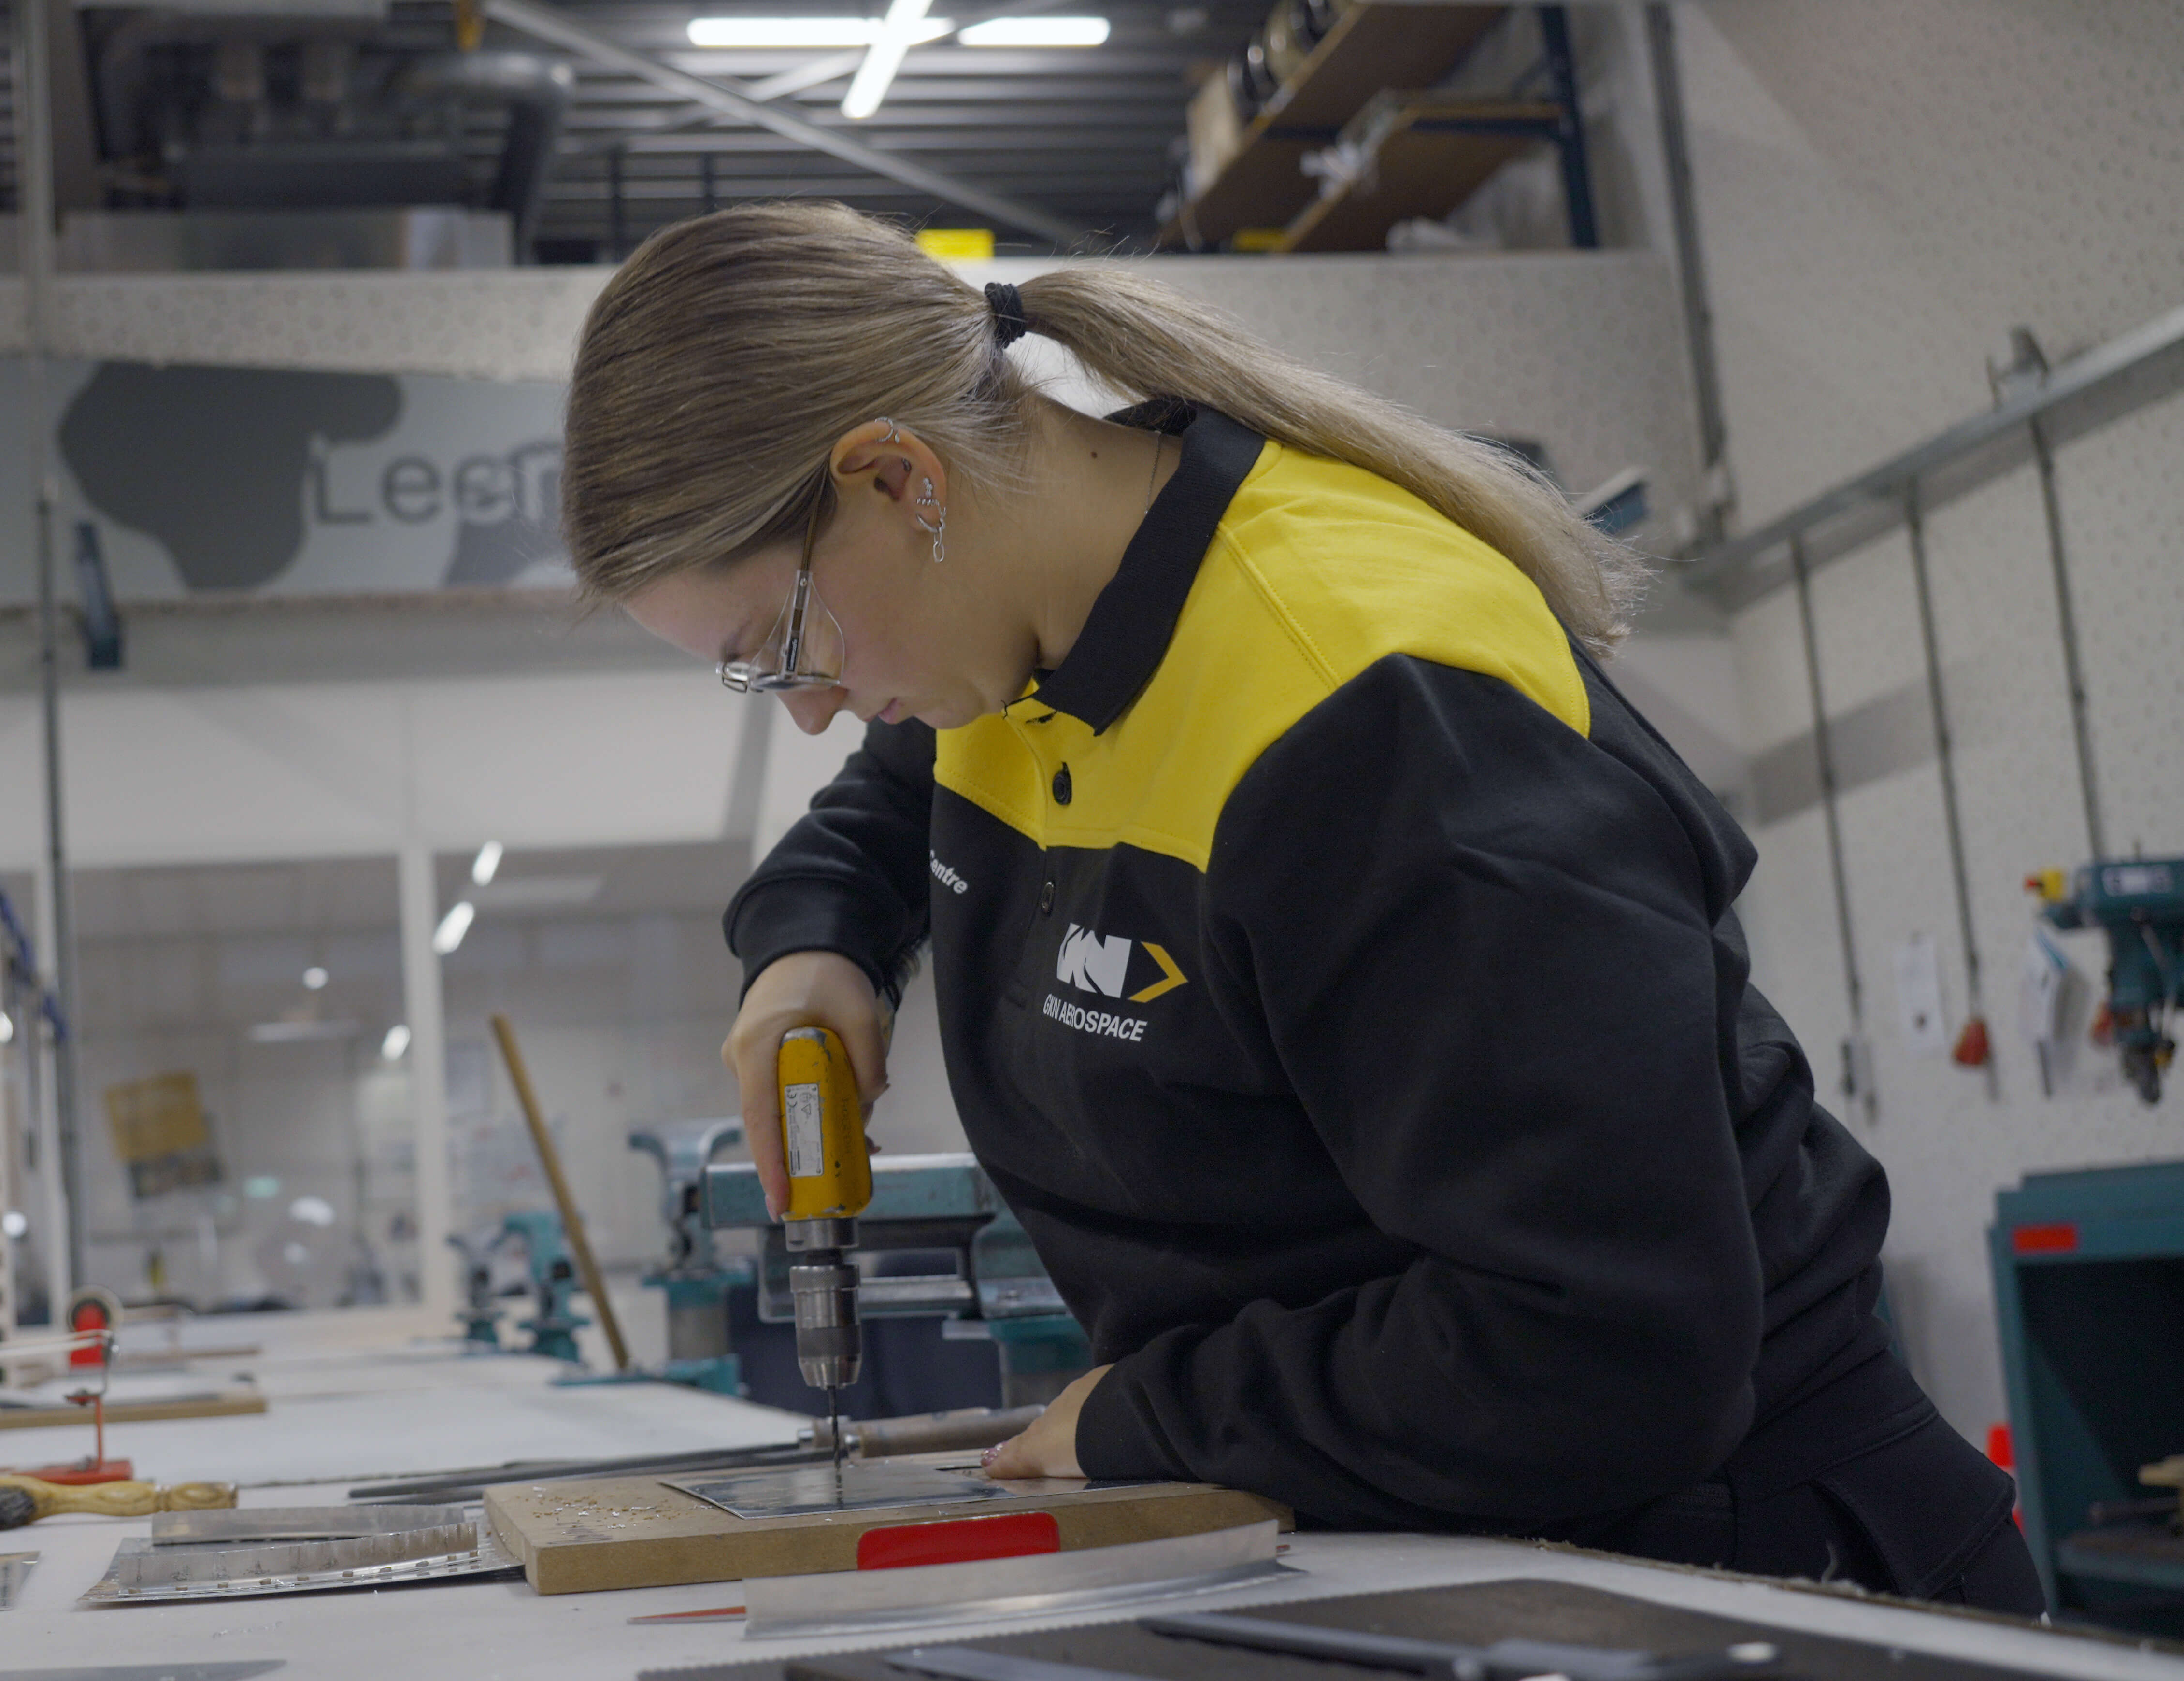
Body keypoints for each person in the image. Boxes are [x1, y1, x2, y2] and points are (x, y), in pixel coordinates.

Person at [557, 202, 2041, 1613]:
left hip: (1733, 1561)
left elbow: (1610, 1345)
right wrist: (809, 944)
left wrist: (1153, 1419)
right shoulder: (1014, 630)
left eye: (786, 642)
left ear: (898, 478)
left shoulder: (1374, 726)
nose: (807, 711)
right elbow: (892, 804)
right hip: (1446, 1533)